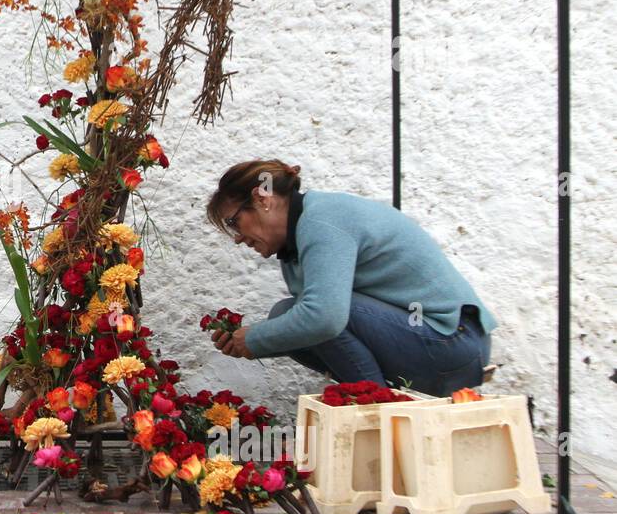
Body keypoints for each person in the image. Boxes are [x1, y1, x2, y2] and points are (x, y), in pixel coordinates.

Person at [205, 159, 495, 397]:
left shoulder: (322, 222)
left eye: (234, 222)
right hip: (435, 345)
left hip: (454, 343)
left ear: (263, 198)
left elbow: (325, 318)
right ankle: (375, 404)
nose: (238, 239)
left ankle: (376, 412)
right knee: (289, 316)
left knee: (304, 314)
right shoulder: (296, 241)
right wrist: (248, 343)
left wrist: (255, 338)